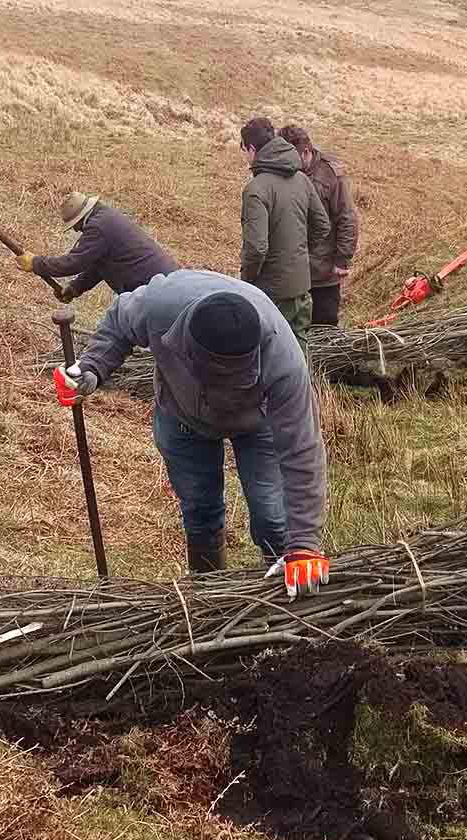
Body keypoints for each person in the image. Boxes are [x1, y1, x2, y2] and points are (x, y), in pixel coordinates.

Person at [56, 270, 330, 596]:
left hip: (257, 423)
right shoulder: (161, 306)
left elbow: (302, 451)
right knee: (200, 511)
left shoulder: (282, 358)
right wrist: (92, 367)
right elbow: (118, 323)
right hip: (182, 414)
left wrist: (304, 547)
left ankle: (283, 588)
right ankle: (207, 598)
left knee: (272, 514)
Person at [237, 117, 330, 349]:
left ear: (251, 149)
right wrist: (297, 252)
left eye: (244, 150)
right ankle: (308, 387)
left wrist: (247, 282)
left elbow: (257, 248)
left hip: (270, 291)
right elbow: (322, 225)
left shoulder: (255, 189)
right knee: (299, 351)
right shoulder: (301, 179)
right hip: (301, 286)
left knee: (269, 352)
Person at [16, 192, 181, 301]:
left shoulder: (99, 226)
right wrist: (75, 288)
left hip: (156, 290)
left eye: (75, 224)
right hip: (161, 286)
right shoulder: (105, 218)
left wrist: (36, 263)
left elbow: (73, 263)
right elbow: (98, 265)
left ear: (81, 217)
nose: (76, 229)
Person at [277, 125, 357, 329]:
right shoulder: (284, 170)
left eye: (292, 157)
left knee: (324, 326)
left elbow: (346, 217)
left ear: (305, 152)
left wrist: (342, 259)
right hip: (291, 268)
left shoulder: (330, 174)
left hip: (323, 271)